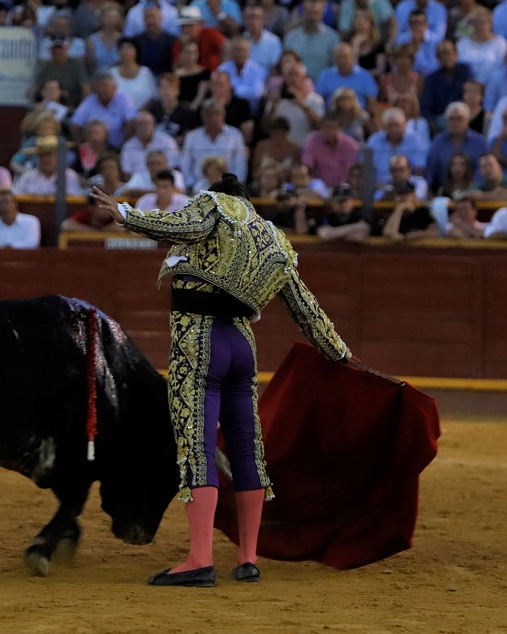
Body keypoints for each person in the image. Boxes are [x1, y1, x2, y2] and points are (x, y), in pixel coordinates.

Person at [89, 173, 350, 588]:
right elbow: (305, 306)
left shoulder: (214, 205)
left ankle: (199, 559)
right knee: (247, 449)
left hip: (200, 339)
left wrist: (126, 213)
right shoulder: (273, 240)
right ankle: (247, 559)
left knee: (197, 446)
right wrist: (339, 352)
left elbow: (185, 225)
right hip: (241, 345)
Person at [181, 98, 247, 190]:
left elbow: (240, 165)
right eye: (209, 114)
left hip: (228, 187)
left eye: (217, 113)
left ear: (223, 115)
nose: (213, 117)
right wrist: (191, 185)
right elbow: (185, 164)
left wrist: (235, 186)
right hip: (198, 187)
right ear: (202, 116)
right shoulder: (192, 137)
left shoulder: (235, 135)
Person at [425, 102, 486, 192]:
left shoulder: (480, 142)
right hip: (442, 190)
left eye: (459, 119)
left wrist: (473, 188)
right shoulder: (438, 141)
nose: (455, 123)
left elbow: (481, 170)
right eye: (452, 119)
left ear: (467, 120)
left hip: (474, 191)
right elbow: (431, 169)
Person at [302, 113, 358, 189]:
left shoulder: (350, 145)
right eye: (326, 127)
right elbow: (307, 165)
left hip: (344, 186)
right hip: (320, 186)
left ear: (340, 128)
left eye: (333, 128)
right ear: (321, 127)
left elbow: (351, 170)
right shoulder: (313, 140)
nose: (330, 131)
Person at [120, 110, 179, 177]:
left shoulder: (167, 141)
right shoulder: (128, 146)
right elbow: (126, 171)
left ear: (153, 125)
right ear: (135, 127)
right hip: (137, 183)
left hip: (162, 180)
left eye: (146, 123)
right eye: (140, 124)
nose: (144, 127)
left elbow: (173, 166)